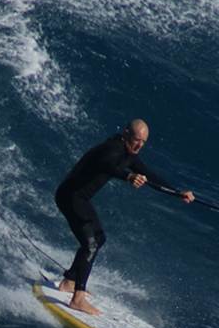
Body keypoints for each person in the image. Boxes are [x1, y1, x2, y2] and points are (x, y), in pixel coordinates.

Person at [54, 119, 194, 315]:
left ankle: (69, 281)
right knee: (90, 245)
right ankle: (78, 299)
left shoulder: (130, 155)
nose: (139, 145)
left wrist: (177, 193)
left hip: (80, 199)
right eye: (137, 140)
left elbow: (150, 176)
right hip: (70, 196)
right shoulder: (112, 148)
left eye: (143, 142)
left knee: (99, 238)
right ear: (126, 133)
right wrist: (128, 176)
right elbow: (107, 164)